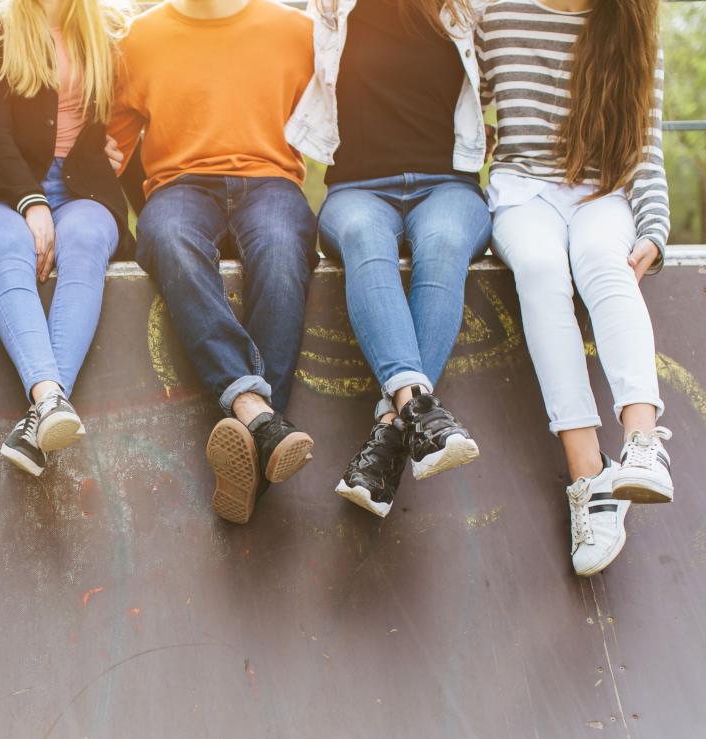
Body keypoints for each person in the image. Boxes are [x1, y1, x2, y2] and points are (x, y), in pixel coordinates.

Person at [478, 0, 672, 575]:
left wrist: (654, 230)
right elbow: (456, 102)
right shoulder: (497, 15)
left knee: (604, 262)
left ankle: (643, 443)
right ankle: (589, 476)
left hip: (602, 192)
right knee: (541, 269)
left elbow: (646, 147)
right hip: (521, 190)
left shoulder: (632, 23)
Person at [109, 0, 318, 525]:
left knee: (281, 250)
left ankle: (251, 439)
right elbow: (105, 144)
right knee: (168, 238)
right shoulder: (138, 39)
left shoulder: (297, 31)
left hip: (271, 182)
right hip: (180, 186)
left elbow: (346, 112)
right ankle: (259, 417)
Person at [285, 0, 491, 519]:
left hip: (449, 186)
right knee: (362, 237)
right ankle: (419, 412)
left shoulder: (466, 11)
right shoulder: (329, 11)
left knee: (444, 244)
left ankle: (391, 430)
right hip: (357, 190)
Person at [0, 0, 133, 477]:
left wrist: (120, 147)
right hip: (8, 186)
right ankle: (49, 399)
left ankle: (42, 417)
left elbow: (144, 105)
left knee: (86, 242)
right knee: (8, 245)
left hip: (84, 190)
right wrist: (31, 202)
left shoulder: (110, 29)